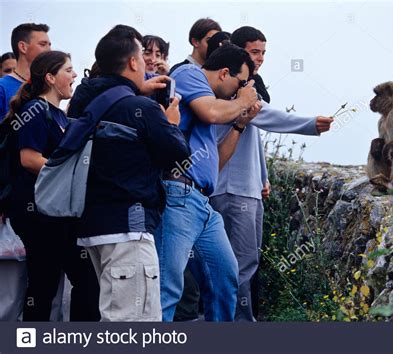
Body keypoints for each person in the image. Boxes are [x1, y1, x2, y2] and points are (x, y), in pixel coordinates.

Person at [209, 26, 334, 321]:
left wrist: (262, 176)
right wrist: (310, 124)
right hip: (233, 188)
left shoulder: (245, 86)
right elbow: (267, 117)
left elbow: (254, 139)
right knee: (240, 264)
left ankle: (233, 320)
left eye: (263, 52)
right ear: (238, 54)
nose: (261, 58)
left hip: (246, 186)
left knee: (243, 262)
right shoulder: (235, 91)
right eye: (254, 52)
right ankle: (237, 323)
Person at [68, 25, 190, 322]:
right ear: (133, 62)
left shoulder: (85, 102)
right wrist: (170, 121)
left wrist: (133, 89)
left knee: (124, 316)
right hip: (129, 227)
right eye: (141, 56)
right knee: (129, 321)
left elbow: (91, 91)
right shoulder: (141, 108)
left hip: (93, 226)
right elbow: (178, 152)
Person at [154, 44, 259, 322]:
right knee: (168, 287)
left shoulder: (209, 102)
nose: (240, 90)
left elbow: (216, 164)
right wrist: (244, 100)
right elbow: (211, 113)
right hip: (178, 195)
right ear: (224, 72)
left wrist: (239, 124)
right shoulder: (190, 74)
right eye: (240, 83)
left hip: (202, 202)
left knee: (225, 277)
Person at [2, 50, 100, 321]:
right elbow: (29, 158)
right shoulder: (35, 109)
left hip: (55, 213)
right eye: (68, 70)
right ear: (50, 77)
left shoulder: (58, 115)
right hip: (38, 213)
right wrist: (69, 176)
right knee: (46, 286)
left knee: (67, 283)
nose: (75, 75)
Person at [0, 23, 51, 121]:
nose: (49, 50)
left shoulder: (47, 87)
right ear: (23, 47)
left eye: (49, 45)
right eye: (43, 44)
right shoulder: (2, 87)